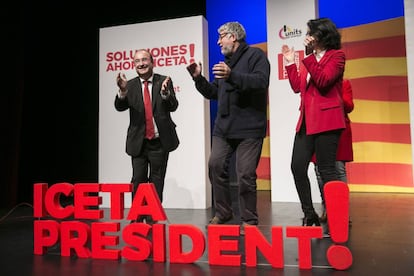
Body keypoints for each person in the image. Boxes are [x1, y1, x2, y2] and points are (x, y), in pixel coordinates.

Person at [187, 21, 270, 235]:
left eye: (220, 36)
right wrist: (198, 79)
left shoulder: (256, 56)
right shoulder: (226, 63)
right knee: (215, 166)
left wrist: (232, 74)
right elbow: (214, 93)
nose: (218, 41)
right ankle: (224, 212)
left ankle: (249, 219)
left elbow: (261, 81)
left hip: (250, 128)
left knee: (245, 174)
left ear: (233, 37)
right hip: (224, 128)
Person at [281, 18, 346, 226]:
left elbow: (324, 81)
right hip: (307, 121)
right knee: (297, 167)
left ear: (322, 35)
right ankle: (310, 214)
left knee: (327, 170)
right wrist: (291, 62)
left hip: (328, 120)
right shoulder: (311, 59)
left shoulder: (337, 56)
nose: (307, 37)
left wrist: (308, 57)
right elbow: (297, 87)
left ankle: (337, 217)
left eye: (311, 33)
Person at [115, 49, 179, 223]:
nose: (141, 64)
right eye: (137, 61)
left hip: (160, 141)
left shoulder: (163, 81)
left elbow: (173, 106)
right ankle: (137, 215)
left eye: (144, 60)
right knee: (138, 180)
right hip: (139, 142)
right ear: (134, 65)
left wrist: (166, 94)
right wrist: (122, 92)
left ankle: (152, 216)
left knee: (157, 180)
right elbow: (119, 107)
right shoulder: (130, 85)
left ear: (152, 62)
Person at [313, 79, 354, 223]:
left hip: (338, 129)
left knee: (337, 169)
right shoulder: (314, 84)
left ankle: (342, 212)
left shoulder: (344, 83)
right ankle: (327, 209)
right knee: (319, 170)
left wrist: (334, 94)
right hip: (318, 128)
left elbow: (349, 106)